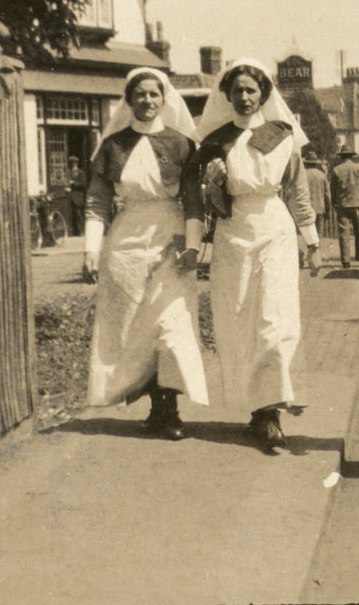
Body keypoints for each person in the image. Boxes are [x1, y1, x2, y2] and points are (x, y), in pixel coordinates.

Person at [187, 58, 323, 449]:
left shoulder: (282, 134)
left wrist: (311, 242)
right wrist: (212, 185)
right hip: (233, 236)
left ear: (264, 94)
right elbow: (206, 201)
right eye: (238, 91)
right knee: (239, 321)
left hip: (275, 231)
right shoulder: (216, 141)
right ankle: (256, 410)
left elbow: (297, 191)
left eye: (252, 90)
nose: (245, 97)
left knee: (274, 320)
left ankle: (273, 412)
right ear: (226, 96)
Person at [82, 67, 208, 441]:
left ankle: (170, 410)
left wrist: (192, 243)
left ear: (164, 99)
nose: (147, 101)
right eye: (140, 95)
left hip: (170, 237)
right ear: (129, 99)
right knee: (134, 330)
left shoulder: (182, 144)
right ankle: (156, 409)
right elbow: (96, 201)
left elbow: (193, 200)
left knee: (170, 326)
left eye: (154, 95)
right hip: (126, 242)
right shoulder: (113, 146)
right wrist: (91, 248)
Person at [331, 144, 359, 268]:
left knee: (344, 233)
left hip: (342, 205)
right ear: (351, 156)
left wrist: (334, 203)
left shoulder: (336, 170)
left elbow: (332, 189)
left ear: (341, 156)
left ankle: (346, 261)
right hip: (357, 205)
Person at [304, 147, 332, 238]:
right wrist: (328, 210)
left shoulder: (302, 175)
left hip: (305, 208)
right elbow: (327, 195)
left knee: (306, 235)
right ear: (316, 163)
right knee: (318, 235)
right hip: (319, 208)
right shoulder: (322, 176)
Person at [67, 156, 86, 236]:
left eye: (74, 163)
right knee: (71, 215)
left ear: (77, 163)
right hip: (69, 196)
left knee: (79, 215)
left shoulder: (80, 172)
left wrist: (73, 183)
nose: (73, 165)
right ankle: (73, 232)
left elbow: (83, 184)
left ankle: (82, 232)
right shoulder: (67, 172)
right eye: (71, 163)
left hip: (77, 195)